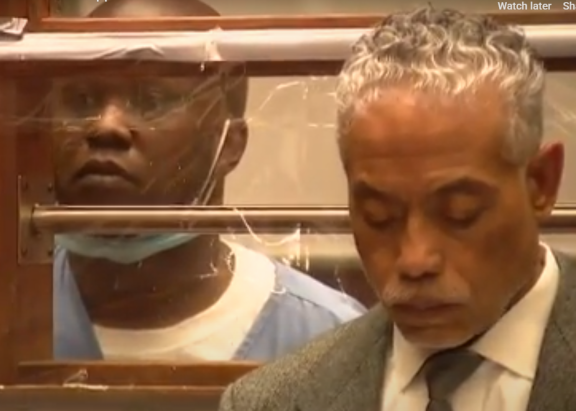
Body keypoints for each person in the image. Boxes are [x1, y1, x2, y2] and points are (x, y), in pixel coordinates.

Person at [0, 0, 364, 362]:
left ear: (229, 144)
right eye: (82, 100)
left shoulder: (330, 345)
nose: (106, 126)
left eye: (152, 100)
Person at [221, 6, 574, 411]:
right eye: (379, 218)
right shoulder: (274, 402)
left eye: (459, 214)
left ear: (541, 183)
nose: (415, 260)